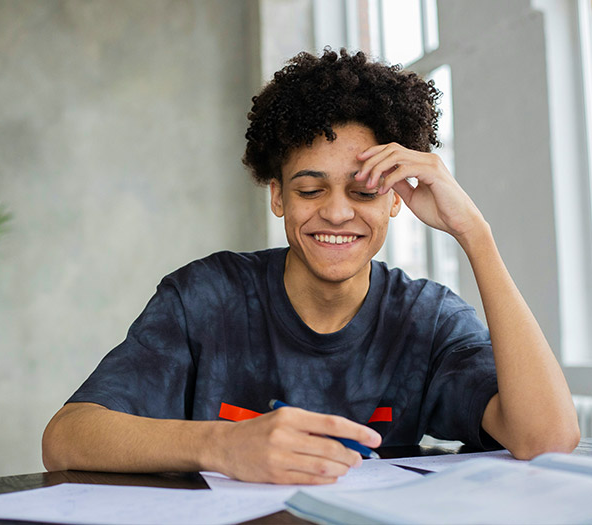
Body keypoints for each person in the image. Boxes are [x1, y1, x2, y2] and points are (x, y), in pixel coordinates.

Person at [42, 48, 580, 485]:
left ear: (396, 199)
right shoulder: (205, 297)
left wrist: (475, 234)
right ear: (277, 196)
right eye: (309, 188)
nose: (337, 211)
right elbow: (66, 437)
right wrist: (221, 444)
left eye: (364, 190)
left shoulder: (426, 320)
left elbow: (547, 438)